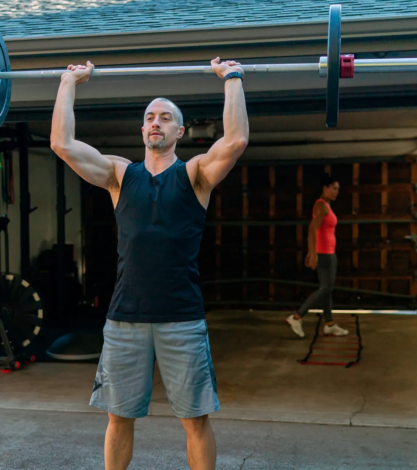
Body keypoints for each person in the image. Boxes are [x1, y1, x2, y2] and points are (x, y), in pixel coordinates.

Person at [50, 58, 249, 470]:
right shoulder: (120, 175)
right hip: (126, 318)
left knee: (195, 420)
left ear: (180, 130)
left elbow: (235, 140)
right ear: (142, 130)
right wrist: (68, 82)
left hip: (181, 318)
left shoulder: (195, 175)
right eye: (149, 117)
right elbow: (61, 144)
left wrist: (231, 78)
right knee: (118, 417)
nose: (155, 122)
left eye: (165, 117)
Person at [286, 176, 349, 338]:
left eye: (338, 189)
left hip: (329, 252)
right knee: (325, 288)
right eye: (334, 188)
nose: (336, 192)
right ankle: (296, 317)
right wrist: (313, 253)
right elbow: (312, 230)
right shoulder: (321, 205)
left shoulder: (326, 205)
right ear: (325, 188)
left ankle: (329, 324)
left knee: (327, 289)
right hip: (323, 253)